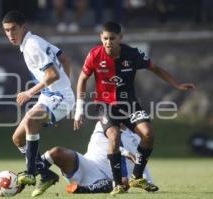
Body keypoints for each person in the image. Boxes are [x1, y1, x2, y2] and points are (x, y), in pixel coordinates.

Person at [73, 21, 195, 195]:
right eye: (105, 38)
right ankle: (118, 184)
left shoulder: (132, 54)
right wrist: (79, 109)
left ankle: (137, 176)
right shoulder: (94, 55)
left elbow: (156, 68)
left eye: (112, 39)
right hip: (105, 105)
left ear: (120, 38)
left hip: (129, 104)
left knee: (148, 134)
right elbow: (82, 79)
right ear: (101, 37)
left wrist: (177, 84)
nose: (108, 42)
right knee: (113, 136)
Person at [2, 10, 75, 197]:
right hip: (49, 96)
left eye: (13, 29)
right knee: (18, 138)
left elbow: (53, 75)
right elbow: (64, 59)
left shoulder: (33, 45)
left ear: (23, 27)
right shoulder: (33, 42)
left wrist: (29, 92)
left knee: (31, 121)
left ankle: (30, 172)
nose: (10, 34)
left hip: (59, 96)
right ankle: (46, 174)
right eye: (7, 30)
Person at [37, 121, 158, 194]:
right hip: (88, 165)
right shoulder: (104, 124)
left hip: (114, 177)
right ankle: (30, 172)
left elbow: (141, 161)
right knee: (56, 152)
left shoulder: (137, 136)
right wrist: (126, 152)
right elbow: (111, 144)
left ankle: (85, 189)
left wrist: (148, 181)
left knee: (124, 182)